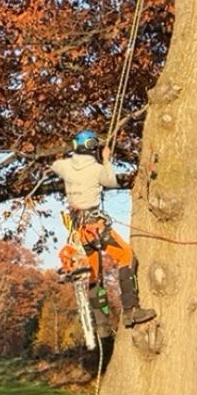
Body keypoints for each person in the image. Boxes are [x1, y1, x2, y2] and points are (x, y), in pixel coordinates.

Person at [49, 130, 156, 330]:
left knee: (94, 274)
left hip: (79, 232)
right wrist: (106, 160)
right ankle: (131, 310)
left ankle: (102, 325)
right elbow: (111, 182)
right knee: (126, 256)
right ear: (92, 147)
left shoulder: (64, 167)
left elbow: (55, 164)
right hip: (94, 227)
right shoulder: (97, 169)